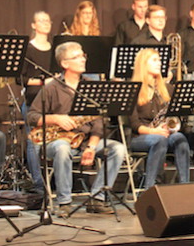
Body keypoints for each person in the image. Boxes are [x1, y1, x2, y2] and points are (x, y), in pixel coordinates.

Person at [27, 42, 126, 218]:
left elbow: (99, 120)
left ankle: (98, 197)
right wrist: (56, 118)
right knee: (63, 148)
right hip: (57, 140)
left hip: (86, 140)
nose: (82, 59)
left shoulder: (92, 87)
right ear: (64, 64)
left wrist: (92, 147)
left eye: (83, 56)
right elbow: (32, 116)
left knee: (118, 149)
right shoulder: (51, 87)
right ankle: (64, 201)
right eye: (77, 57)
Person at [128, 48, 190, 188]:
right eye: (154, 60)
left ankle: (185, 186)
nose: (159, 63)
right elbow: (134, 124)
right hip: (140, 137)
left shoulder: (167, 89)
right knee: (159, 140)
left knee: (180, 139)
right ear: (143, 64)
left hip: (162, 133)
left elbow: (174, 114)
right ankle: (150, 189)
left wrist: (169, 126)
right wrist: (154, 131)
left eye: (159, 60)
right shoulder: (133, 89)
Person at [19, 11, 53, 192]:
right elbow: (20, 79)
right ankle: (39, 184)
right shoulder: (28, 49)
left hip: (53, 102)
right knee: (34, 142)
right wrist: (43, 82)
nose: (45, 23)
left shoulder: (55, 48)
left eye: (48, 20)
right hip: (33, 100)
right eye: (41, 20)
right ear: (33, 25)